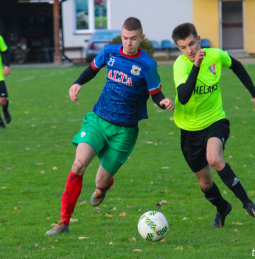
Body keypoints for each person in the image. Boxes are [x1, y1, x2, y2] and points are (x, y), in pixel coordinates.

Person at [45, 17, 174, 235]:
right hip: (98, 120)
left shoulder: (148, 65)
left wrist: (163, 102)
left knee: (100, 182)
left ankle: (104, 187)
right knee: (78, 166)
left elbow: (155, 94)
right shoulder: (110, 52)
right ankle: (63, 222)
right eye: (125, 38)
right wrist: (77, 83)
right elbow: (92, 69)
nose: (128, 43)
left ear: (141, 38)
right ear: (121, 36)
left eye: (133, 39)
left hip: (124, 131)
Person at [171, 22, 255, 228]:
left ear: (199, 40)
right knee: (205, 183)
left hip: (216, 121)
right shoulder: (181, 65)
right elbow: (183, 97)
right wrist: (196, 68)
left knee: (214, 158)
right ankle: (222, 208)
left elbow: (236, 65)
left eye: (192, 44)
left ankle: (248, 203)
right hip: (189, 130)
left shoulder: (215, 56)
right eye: (183, 47)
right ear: (179, 48)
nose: (189, 50)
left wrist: (253, 93)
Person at [0, 33, 11, 128]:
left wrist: (6, 66)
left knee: (1, 101)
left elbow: (6, 52)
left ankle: (5, 109)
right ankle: (0, 121)